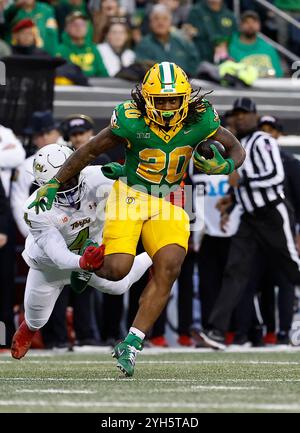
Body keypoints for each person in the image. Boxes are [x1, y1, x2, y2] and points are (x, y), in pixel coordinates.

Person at [28, 61, 245, 376]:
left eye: (174, 99)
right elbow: (88, 150)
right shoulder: (130, 120)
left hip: (172, 195)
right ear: (147, 98)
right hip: (132, 193)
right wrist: (54, 181)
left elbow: (236, 148)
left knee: (170, 266)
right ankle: (89, 267)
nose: (169, 107)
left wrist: (223, 167)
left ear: (185, 98)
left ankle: (131, 343)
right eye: (161, 100)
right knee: (117, 271)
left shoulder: (201, 118)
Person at [11, 143, 152, 359]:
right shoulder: (36, 208)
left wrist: (128, 172)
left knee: (119, 286)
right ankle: (28, 329)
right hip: (50, 267)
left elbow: (139, 183)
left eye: (70, 176)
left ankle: (153, 254)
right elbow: (56, 253)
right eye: (59, 181)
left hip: (91, 254)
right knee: (36, 318)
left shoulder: (97, 177)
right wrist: (81, 263)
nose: (66, 185)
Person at [198, 97, 300, 350]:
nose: (240, 118)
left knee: (291, 265)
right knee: (235, 271)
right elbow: (240, 185)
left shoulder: (262, 141)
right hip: (249, 217)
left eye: (245, 113)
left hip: (272, 212)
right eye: (236, 114)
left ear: (255, 115)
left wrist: (241, 181)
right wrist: (230, 201)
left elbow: (275, 175)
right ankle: (217, 331)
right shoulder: (237, 145)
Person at [135, 4, 199, 77]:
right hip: (155, 85)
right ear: (150, 23)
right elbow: (140, 68)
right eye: (156, 19)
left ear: (171, 22)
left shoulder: (183, 41)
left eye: (165, 19)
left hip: (183, 84)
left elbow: (194, 65)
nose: (160, 22)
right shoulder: (144, 44)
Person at [229, 11, 283, 78]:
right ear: (240, 25)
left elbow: (278, 75)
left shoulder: (268, 48)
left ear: (259, 25)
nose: (251, 25)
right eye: (246, 22)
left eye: (254, 22)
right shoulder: (230, 48)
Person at [57, 11, 108, 77]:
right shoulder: (60, 50)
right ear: (67, 28)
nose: (79, 27)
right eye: (75, 24)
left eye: (83, 24)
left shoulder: (93, 49)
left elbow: (103, 73)